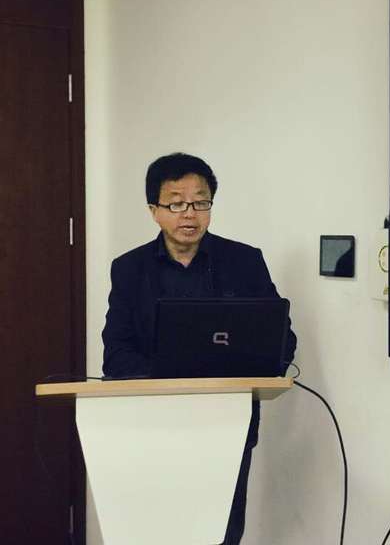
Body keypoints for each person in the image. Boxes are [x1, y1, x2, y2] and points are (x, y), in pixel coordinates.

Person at [101, 152, 296, 544]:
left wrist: (256, 365)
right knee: (160, 530)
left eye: (200, 202)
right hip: (154, 424)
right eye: (176, 203)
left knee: (224, 531)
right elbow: (116, 353)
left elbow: (282, 338)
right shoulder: (129, 269)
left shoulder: (245, 262)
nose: (189, 214)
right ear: (154, 211)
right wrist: (169, 378)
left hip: (229, 421)